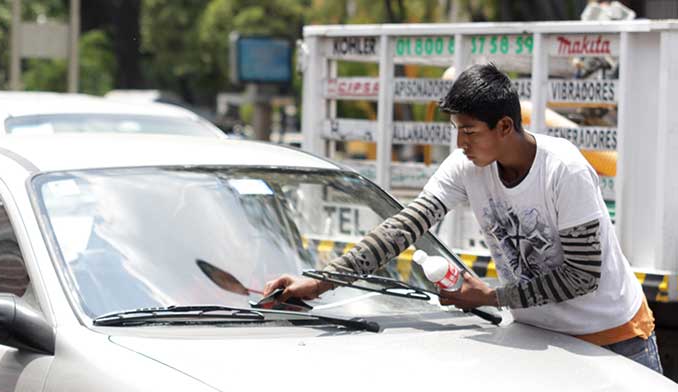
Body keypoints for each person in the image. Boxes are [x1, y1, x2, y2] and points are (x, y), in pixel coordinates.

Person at [264, 63, 663, 374]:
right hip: (539, 338)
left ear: (505, 126)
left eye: (469, 131)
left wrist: (491, 297)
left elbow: (582, 276)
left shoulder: (563, 170)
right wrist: (318, 283)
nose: (460, 143)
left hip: (614, 340)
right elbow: (404, 227)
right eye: (457, 130)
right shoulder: (466, 167)